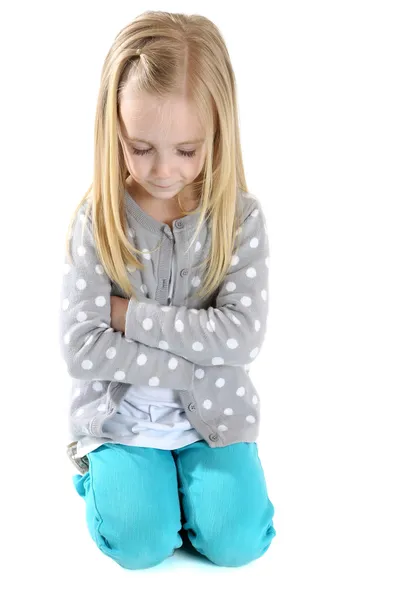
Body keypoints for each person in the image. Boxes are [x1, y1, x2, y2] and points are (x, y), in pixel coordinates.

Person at [59, 10, 276, 570]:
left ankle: (184, 485)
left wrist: (128, 315)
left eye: (186, 150)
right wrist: (200, 359)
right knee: (139, 545)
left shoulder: (238, 219)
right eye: (140, 147)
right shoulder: (98, 218)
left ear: (217, 132)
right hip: (121, 419)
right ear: (115, 132)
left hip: (215, 420)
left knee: (238, 544)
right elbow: (82, 347)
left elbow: (242, 337)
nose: (162, 170)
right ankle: (115, 478)